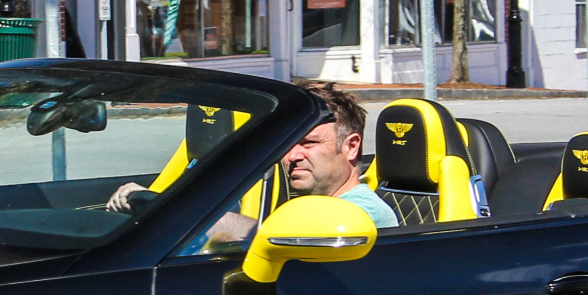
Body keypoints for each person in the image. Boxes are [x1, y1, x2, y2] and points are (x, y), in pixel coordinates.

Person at [108, 79, 398, 245]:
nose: (293, 155)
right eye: (289, 143)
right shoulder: (306, 205)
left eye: (309, 143)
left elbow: (269, 239)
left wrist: (168, 209)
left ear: (351, 147)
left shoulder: (364, 214)